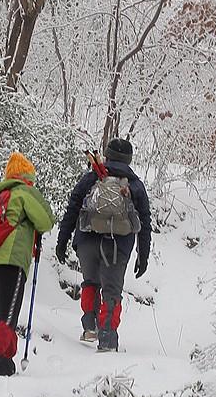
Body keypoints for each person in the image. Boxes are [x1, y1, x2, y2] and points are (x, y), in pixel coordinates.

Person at [55, 137, 151, 352]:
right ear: (129, 159)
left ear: (107, 155)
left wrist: (63, 241)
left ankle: (90, 327)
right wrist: (142, 255)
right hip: (118, 246)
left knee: (90, 282)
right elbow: (145, 221)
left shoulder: (92, 177)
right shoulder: (135, 185)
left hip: (87, 241)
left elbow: (72, 208)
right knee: (112, 291)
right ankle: (107, 339)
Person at [0, 151, 54, 383]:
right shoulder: (25, 191)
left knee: (4, 317)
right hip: (11, 263)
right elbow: (47, 220)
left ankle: (4, 365)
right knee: (7, 320)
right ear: (27, 175)